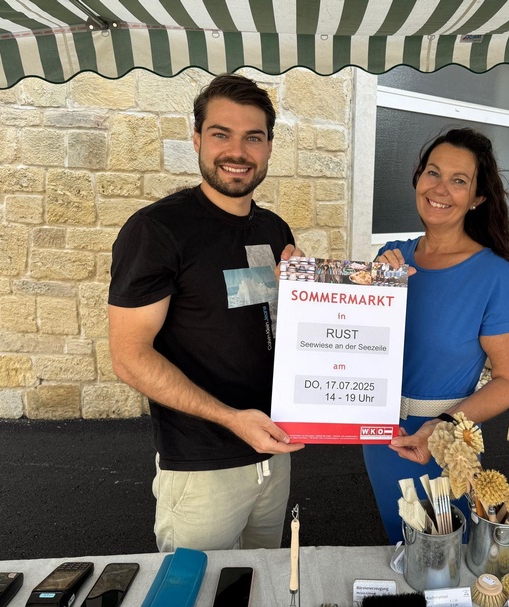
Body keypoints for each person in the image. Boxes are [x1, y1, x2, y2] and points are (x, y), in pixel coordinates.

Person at [107, 74, 304, 552]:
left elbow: (279, 332)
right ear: (196, 139)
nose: (237, 151)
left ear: (269, 147)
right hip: (201, 467)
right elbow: (130, 356)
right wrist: (232, 418)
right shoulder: (158, 230)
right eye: (221, 134)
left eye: (252, 137)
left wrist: (310, 296)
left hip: (275, 453)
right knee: (194, 591)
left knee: (265, 585)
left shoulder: (275, 229)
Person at [363, 128, 509, 543]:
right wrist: (361, 292)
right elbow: (355, 344)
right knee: (397, 540)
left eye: (459, 181)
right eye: (433, 173)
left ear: (477, 198)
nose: (441, 188)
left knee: (442, 553)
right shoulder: (392, 259)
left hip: (443, 440)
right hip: (378, 433)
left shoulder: (494, 277)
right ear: (418, 179)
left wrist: (440, 426)